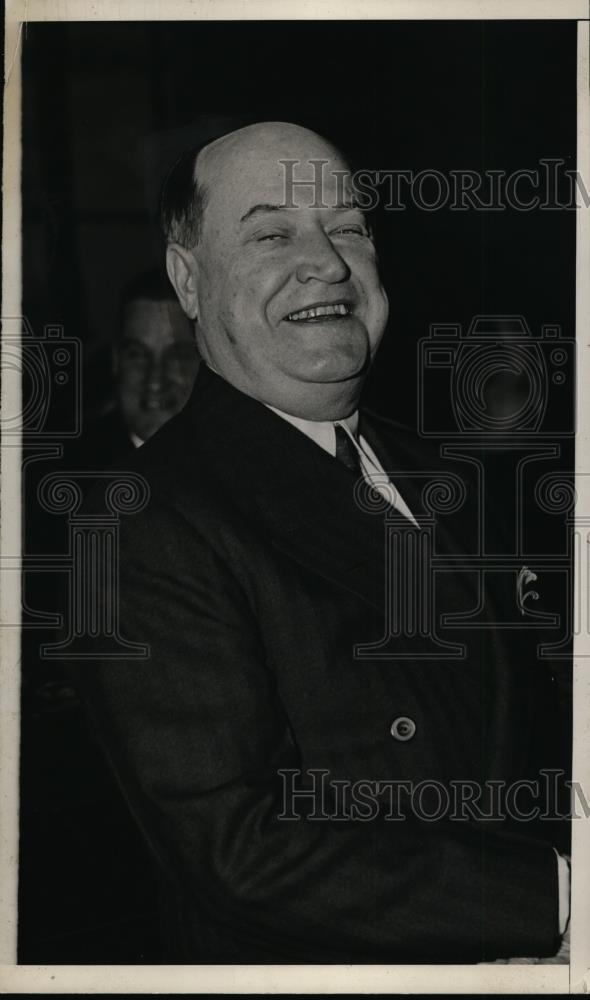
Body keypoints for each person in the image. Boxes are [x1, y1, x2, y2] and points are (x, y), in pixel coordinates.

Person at [72, 122, 570, 963]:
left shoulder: (453, 476)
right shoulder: (140, 522)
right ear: (188, 280)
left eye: (348, 228)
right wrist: (557, 899)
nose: (329, 263)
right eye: (271, 233)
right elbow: (240, 847)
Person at [75, 269, 201, 468]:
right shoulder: (61, 474)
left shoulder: (242, 461)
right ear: (116, 361)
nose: (155, 382)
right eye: (138, 355)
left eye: (177, 356)